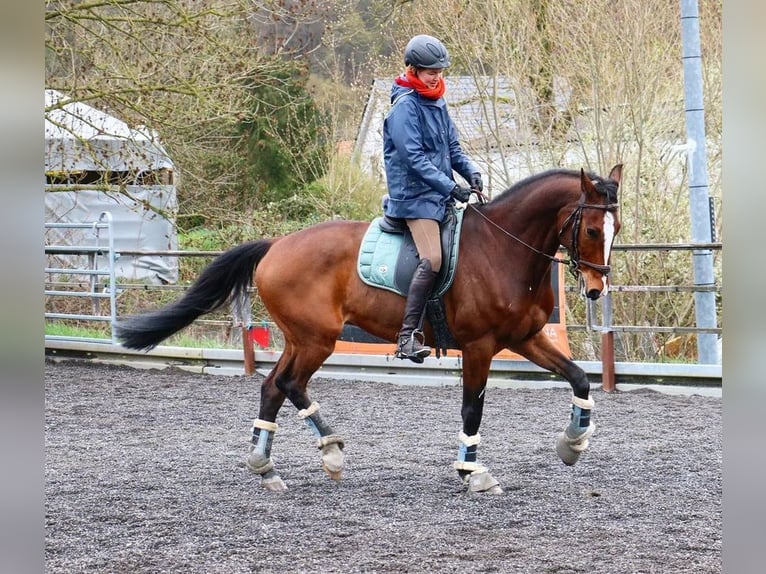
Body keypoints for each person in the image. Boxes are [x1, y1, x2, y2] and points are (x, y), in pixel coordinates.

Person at [383, 34, 483, 363]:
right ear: (412, 69)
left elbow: (452, 149)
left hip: (438, 195)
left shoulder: (437, 101)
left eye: (439, 70)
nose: (436, 76)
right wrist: (449, 187)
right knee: (434, 260)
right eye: (429, 71)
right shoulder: (405, 107)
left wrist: (471, 174)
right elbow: (414, 158)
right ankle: (407, 336)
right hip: (413, 198)